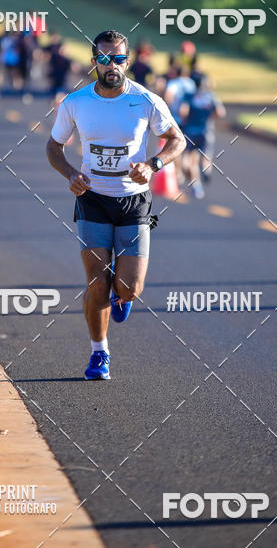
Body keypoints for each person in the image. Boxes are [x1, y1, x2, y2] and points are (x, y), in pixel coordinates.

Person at [46, 29, 185, 380]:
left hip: (133, 202)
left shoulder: (146, 101)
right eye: (105, 58)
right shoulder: (76, 103)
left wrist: (152, 164)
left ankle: (123, 298)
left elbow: (177, 140)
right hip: (91, 199)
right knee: (97, 283)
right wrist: (70, 174)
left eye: (119, 58)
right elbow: (53, 147)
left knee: (129, 287)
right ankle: (99, 353)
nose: (113, 65)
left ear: (128, 61)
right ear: (94, 62)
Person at [179, 74, 226, 199]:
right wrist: (208, 118)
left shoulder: (189, 96)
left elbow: (183, 112)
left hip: (190, 132)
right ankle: (206, 171)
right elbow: (220, 112)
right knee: (205, 157)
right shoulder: (210, 96)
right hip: (206, 131)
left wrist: (185, 121)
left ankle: (196, 186)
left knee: (188, 162)